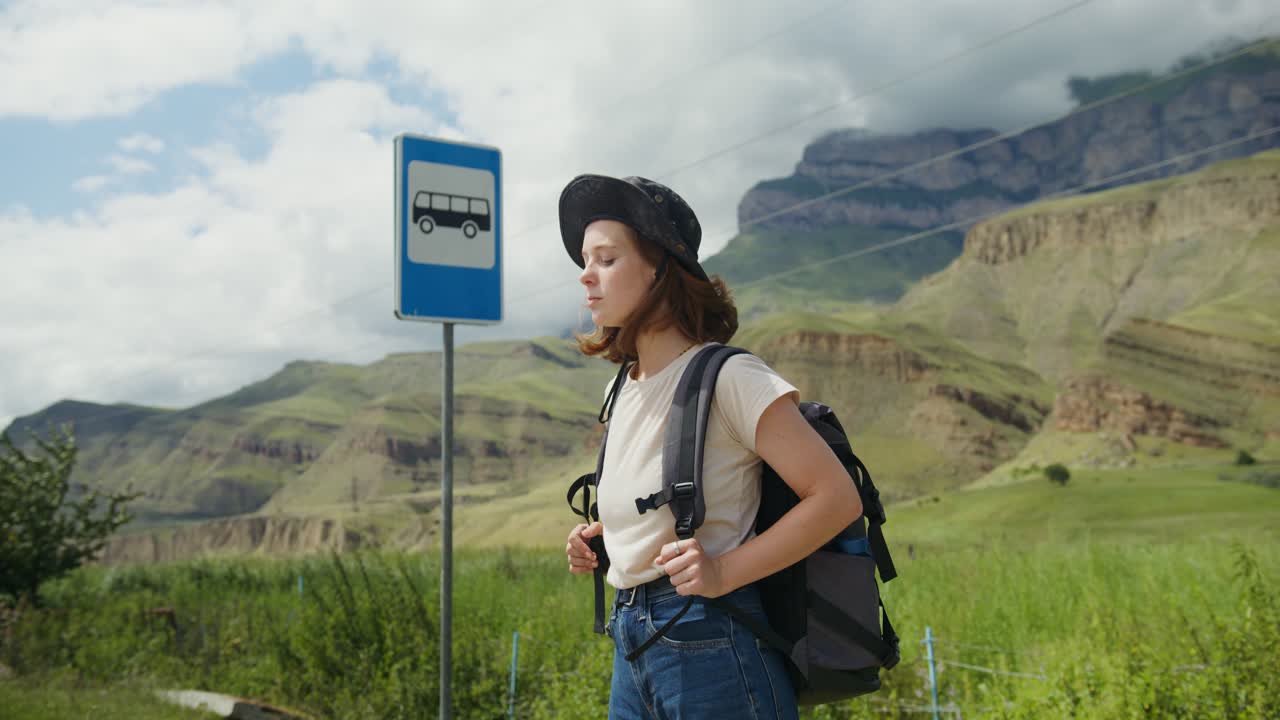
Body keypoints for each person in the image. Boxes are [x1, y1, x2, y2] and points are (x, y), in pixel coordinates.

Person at [560, 174, 864, 720]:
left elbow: (836, 498)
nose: (585, 275)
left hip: (713, 640)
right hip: (630, 639)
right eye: (585, 259)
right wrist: (607, 540)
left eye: (606, 259)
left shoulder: (732, 376)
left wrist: (723, 573)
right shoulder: (620, 387)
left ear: (659, 270)